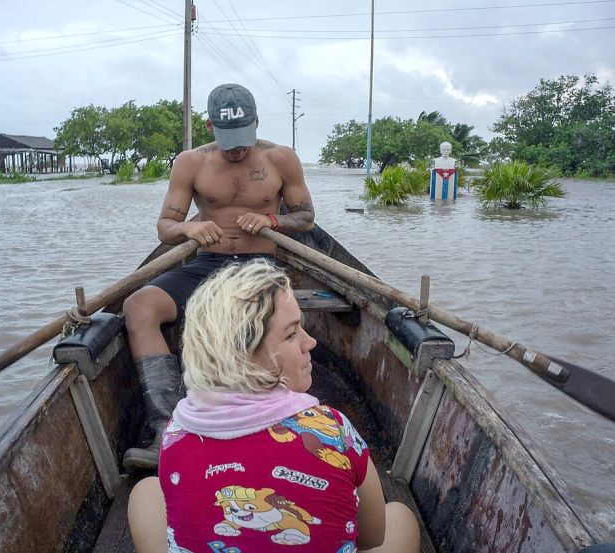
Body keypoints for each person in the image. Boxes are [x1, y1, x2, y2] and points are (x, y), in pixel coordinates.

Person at [127, 260, 421, 552]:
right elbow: (372, 537)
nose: (311, 342)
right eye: (292, 334)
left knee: (145, 492)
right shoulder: (333, 430)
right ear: (245, 355)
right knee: (400, 518)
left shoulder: (176, 432)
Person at [121, 83, 315, 470]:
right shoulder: (190, 162)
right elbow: (165, 227)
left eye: (243, 138)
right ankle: (167, 428)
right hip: (207, 266)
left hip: (261, 269)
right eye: (228, 140)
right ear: (210, 127)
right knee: (138, 306)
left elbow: (306, 218)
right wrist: (189, 230)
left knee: (255, 319)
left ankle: (277, 421)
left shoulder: (281, 159)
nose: (237, 149)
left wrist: (271, 219)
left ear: (256, 122)